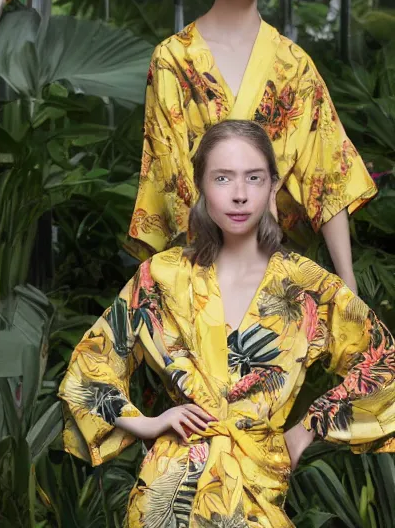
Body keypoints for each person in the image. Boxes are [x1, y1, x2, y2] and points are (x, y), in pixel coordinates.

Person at [58, 120, 395, 528]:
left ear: (273, 186)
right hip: (167, 495)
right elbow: (89, 367)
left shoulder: (307, 285)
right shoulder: (162, 276)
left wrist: (309, 427)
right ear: (201, 186)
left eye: (253, 178)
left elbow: (384, 364)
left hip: (260, 483)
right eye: (223, 178)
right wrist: (149, 423)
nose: (239, 195)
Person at [126, 0, 377, 294]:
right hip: (197, 274)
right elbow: (167, 180)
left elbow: (328, 176)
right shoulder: (173, 60)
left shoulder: (295, 66)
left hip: (282, 281)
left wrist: (347, 287)